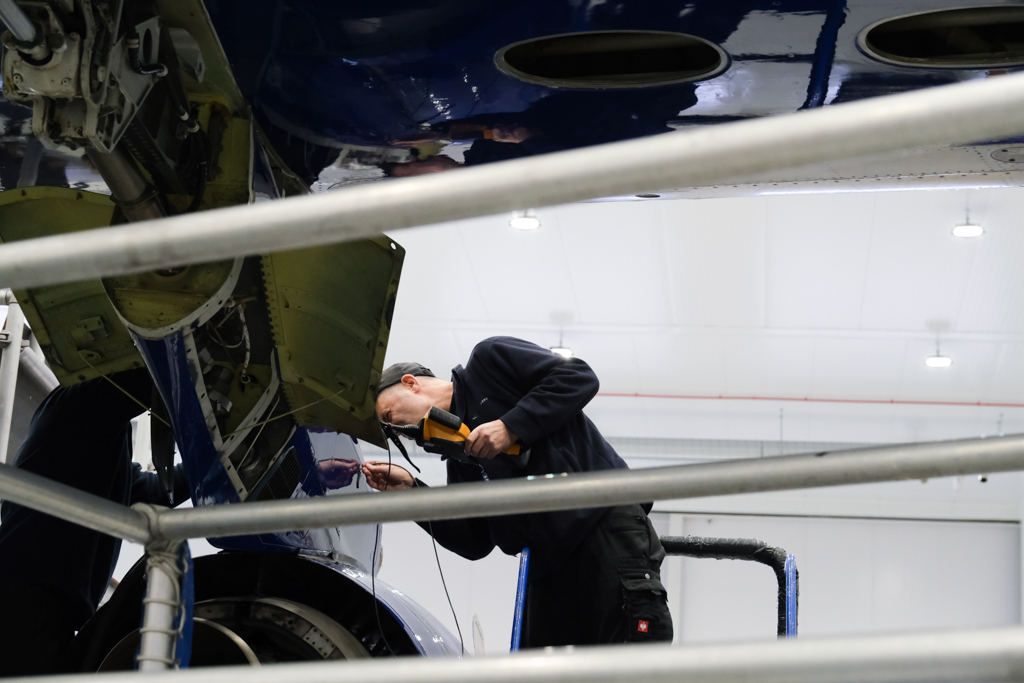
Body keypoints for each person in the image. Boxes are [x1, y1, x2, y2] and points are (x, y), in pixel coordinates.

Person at [363, 336, 672, 648]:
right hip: (545, 568)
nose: (398, 430)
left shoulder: (489, 362)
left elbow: (579, 376)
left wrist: (510, 426)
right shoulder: (459, 456)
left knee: (631, 657)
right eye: (391, 432)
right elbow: (474, 540)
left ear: (411, 383)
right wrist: (411, 491)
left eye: (390, 416)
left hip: (602, 530)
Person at [0, 369, 189, 677]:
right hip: (25, 601)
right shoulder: (82, 400)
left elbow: (153, 493)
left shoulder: (98, 440)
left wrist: (213, 463)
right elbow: (153, 375)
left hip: (45, 609)